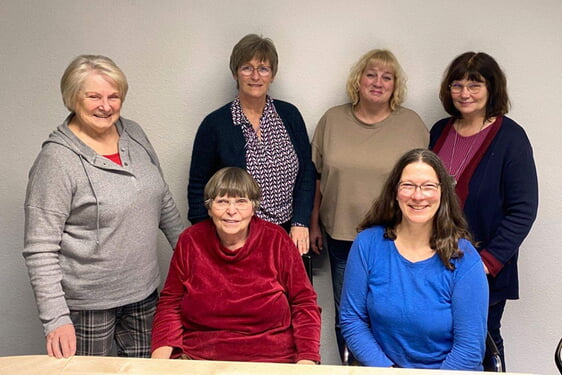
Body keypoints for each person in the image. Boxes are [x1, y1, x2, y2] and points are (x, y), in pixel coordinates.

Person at [23, 55, 184, 359]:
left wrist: (193, 257)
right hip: (88, 305)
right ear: (73, 98)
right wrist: (56, 318)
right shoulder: (56, 161)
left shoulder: (134, 133)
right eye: (94, 96)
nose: (106, 105)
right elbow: (39, 248)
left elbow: (163, 201)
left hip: (145, 294)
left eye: (114, 96)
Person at [309, 49, 428, 362]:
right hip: (342, 238)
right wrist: (312, 224)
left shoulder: (411, 124)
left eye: (386, 77)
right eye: (371, 74)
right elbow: (316, 177)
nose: (378, 82)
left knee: (392, 318)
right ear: (357, 80)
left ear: (395, 85)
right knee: (349, 318)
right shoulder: (332, 119)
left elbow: (425, 181)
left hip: (397, 239)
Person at [429, 51, 538, 370]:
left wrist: (487, 263)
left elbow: (523, 209)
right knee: (441, 338)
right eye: (457, 85)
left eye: (474, 85)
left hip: (483, 266)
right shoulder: (439, 130)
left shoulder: (510, 137)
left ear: (492, 89)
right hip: (434, 261)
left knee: (483, 338)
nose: (465, 93)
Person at [151, 167, 321, 363]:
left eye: (241, 202)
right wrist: (159, 364)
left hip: (272, 358)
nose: (232, 211)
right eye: (222, 201)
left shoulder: (277, 240)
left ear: (253, 207)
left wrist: (306, 362)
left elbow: (304, 303)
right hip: (199, 357)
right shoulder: (190, 241)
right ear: (209, 207)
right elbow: (170, 306)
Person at [340, 148, 488, 370]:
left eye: (428, 186)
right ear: (395, 191)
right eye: (408, 185)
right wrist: (388, 371)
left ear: (442, 193)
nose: (418, 196)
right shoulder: (367, 244)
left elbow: (470, 348)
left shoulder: (464, 259)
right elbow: (352, 320)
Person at [187, 34, 315, 255]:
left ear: (272, 75)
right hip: (238, 238)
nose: (255, 76)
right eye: (247, 68)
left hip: (288, 235)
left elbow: (306, 173)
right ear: (235, 73)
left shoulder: (289, 115)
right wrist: (210, 239)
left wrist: (301, 222)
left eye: (263, 68)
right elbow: (198, 186)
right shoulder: (215, 125)